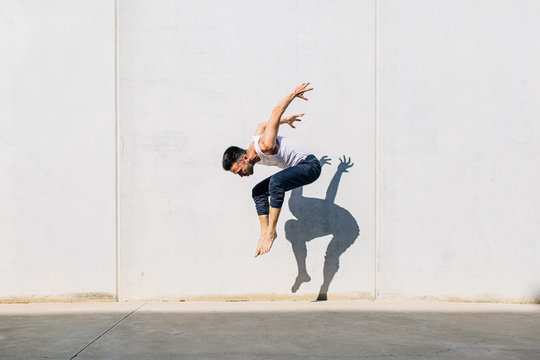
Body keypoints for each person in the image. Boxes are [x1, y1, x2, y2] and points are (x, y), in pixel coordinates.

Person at [222, 82, 322, 257]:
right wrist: (286, 121)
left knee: (276, 182)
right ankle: (264, 232)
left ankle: (271, 231)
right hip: (300, 168)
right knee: (258, 191)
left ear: (245, 158)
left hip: (310, 166)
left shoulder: (266, 145)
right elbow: (262, 125)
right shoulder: (253, 143)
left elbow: (276, 111)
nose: (241, 175)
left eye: (239, 171)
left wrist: (293, 94)